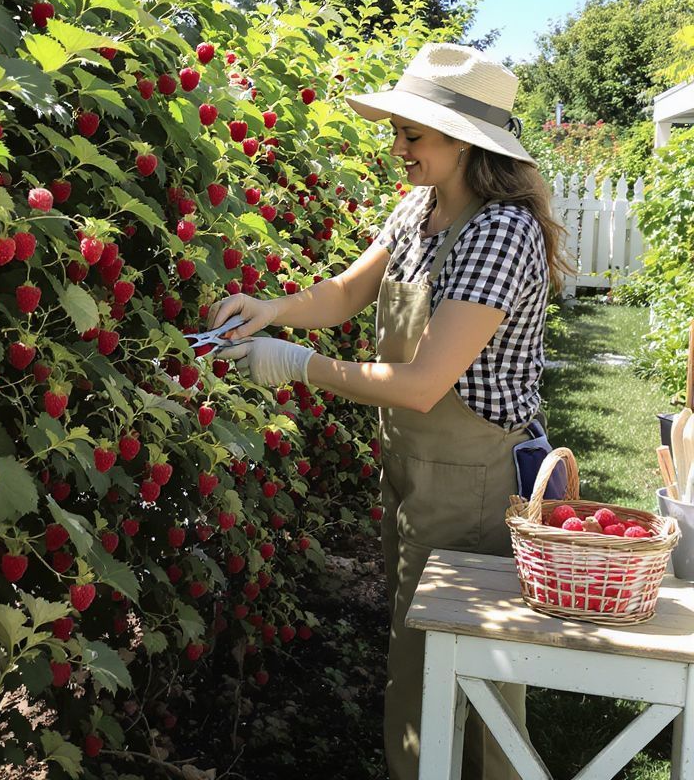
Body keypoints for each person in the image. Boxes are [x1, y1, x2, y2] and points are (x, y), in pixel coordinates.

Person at [209, 42, 572, 780]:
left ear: (465, 142)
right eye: (397, 129)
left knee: (446, 664)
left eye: (413, 133)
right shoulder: (420, 210)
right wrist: (270, 308)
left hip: (472, 480)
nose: (396, 145)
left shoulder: (500, 231)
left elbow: (423, 383)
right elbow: (345, 293)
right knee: (442, 654)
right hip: (412, 468)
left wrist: (297, 364)